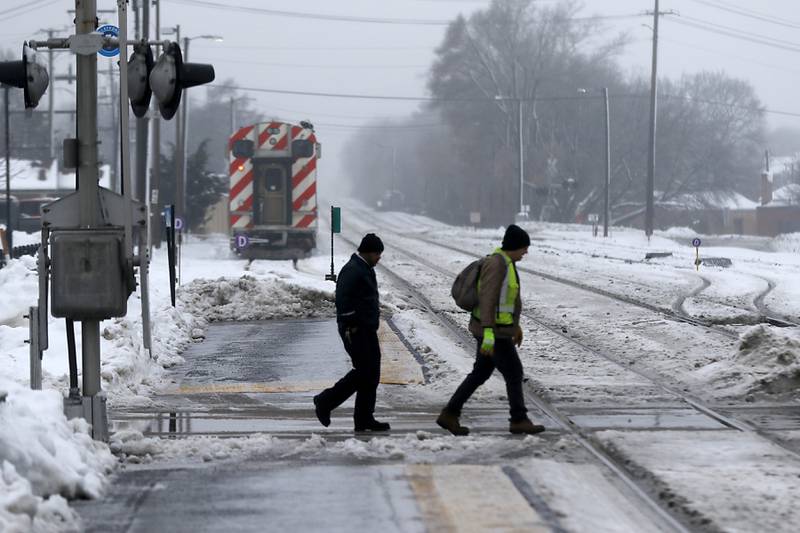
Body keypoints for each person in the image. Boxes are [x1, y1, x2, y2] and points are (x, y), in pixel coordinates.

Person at [437, 224, 545, 436]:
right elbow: (488, 299)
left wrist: (516, 326)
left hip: (499, 330)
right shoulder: (497, 265)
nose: (526, 252)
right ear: (515, 246)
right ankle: (519, 419)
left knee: (480, 373)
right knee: (514, 373)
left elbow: (507, 301)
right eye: (524, 247)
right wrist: (488, 332)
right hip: (494, 333)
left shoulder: (507, 263)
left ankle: (449, 414)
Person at [313, 233, 391, 432]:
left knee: (371, 374)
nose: (379, 258)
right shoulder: (353, 270)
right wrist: (352, 323)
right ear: (369, 252)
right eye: (377, 254)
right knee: (364, 372)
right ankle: (325, 401)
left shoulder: (363, 268)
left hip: (365, 328)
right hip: (356, 329)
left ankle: (364, 418)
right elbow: (343, 300)